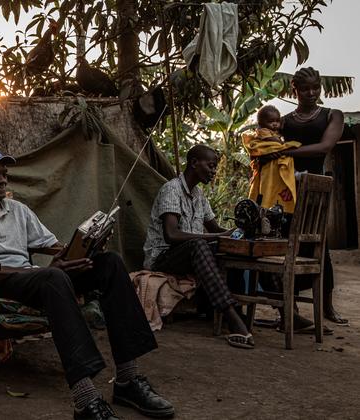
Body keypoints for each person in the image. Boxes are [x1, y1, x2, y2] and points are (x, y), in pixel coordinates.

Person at [0, 145, 174, 420]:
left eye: (4, 173)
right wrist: (51, 268)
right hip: (3, 284)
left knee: (110, 264)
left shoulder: (18, 210)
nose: (2, 179)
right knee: (53, 276)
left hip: (38, 279)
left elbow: (52, 245)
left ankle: (128, 380)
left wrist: (84, 247)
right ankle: (85, 398)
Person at [143, 145, 254, 349]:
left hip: (188, 255)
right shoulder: (171, 190)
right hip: (163, 258)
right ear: (194, 163)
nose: (213, 171)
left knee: (232, 247)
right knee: (199, 245)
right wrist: (216, 236)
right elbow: (172, 235)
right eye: (211, 166)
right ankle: (232, 317)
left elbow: (216, 228)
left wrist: (236, 231)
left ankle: (232, 313)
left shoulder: (199, 196)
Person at [277, 67, 348, 325]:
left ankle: (327, 307)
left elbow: (325, 147)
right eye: (305, 88)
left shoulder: (332, 115)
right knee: (288, 244)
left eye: (315, 88)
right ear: (294, 89)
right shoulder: (284, 121)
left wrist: (286, 152)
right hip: (287, 191)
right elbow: (269, 145)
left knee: (319, 244)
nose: (311, 93)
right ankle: (290, 309)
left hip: (316, 189)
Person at [242, 105, 301, 214]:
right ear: (261, 123)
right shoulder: (262, 131)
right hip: (268, 163)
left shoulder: (273, 132)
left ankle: (294, 174)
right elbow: (272, 142)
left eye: (277, 121)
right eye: (271, 121)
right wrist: (282, 145)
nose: (275, 124)